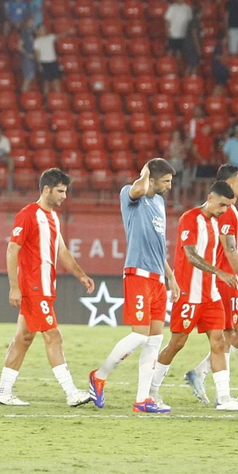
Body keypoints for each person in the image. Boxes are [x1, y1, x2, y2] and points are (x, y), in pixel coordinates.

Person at [0, 168, 98, 409]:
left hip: (46, 287)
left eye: (66, 191)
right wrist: (14, 287)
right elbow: (12, 250)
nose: (64, 196)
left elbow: (62, 251)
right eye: (60, 191)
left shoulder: (53, 218)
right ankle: (71, 392)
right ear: (47, 189)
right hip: (33, 286)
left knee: (23, 338)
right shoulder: (28, 215)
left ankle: (3, 391)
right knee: (53, 336)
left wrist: (81, 274)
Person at [147, 181, 238, 413]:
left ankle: (224, 398)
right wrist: (220, 272)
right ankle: (151, 390)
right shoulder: (190, 219)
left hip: (210, 296)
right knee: (177, 343)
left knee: (220, 342)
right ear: (210, 198)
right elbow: (191, 255)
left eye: (227, 207)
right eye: (222, 205)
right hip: (188, 295)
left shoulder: (215, 224)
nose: (223, 211)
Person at [89, 160, 179, 410]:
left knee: (154, 341)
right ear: (151, 179)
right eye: (166, 181)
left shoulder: (160, 203)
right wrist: (146, 171)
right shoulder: (130, 196)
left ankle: (142, 400)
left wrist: (170, 276)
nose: (169, 187)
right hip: (138, 274)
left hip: (158, 278)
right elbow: (139, 188)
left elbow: (159, 246)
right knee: (139, 336)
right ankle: (99, 376)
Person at [185, 164, 238, 407]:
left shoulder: (230, 211)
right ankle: (221, 394)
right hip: (225, 280)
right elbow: (230, 252)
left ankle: (199, 372)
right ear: (228, 184)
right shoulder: (225, 211)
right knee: (228, 335)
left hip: (231, 280)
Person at [164, 0, 194, 64]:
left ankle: (177, 67)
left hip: (183, 34)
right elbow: (167, 20)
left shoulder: (187, 8)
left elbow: (190, 21)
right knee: (170, 50)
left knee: (179, 52)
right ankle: (167, 65)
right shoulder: (172, 7)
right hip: (173, 34)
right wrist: (167, 31)